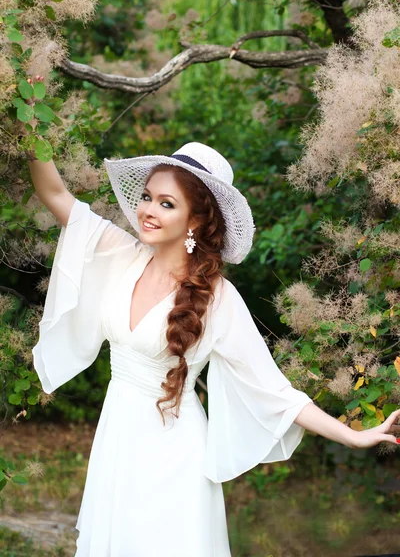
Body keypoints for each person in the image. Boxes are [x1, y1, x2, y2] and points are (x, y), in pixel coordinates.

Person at [28, 141, 400, 557]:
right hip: (118, 439)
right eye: (147, 197)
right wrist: (29, 125)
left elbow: (276, 392)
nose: (148, 210)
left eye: (166, 203)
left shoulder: (217, 297)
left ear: (195, 221)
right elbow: (56, 195)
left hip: (175, 452)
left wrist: (353, 436)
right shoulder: (122, 255)